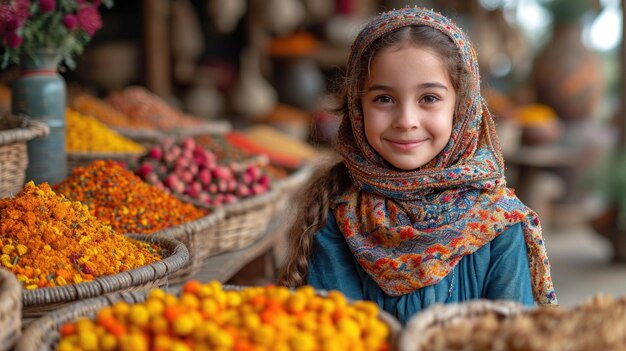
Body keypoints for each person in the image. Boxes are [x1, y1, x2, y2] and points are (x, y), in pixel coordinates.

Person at [277, 7, 557, 324]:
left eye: (428, 98)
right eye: (384, 99)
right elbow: (340, 335)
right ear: (357, 107)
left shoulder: (500, 222)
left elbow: (512, 338)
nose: (406, 121)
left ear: (462, 107)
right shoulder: (340, 214)